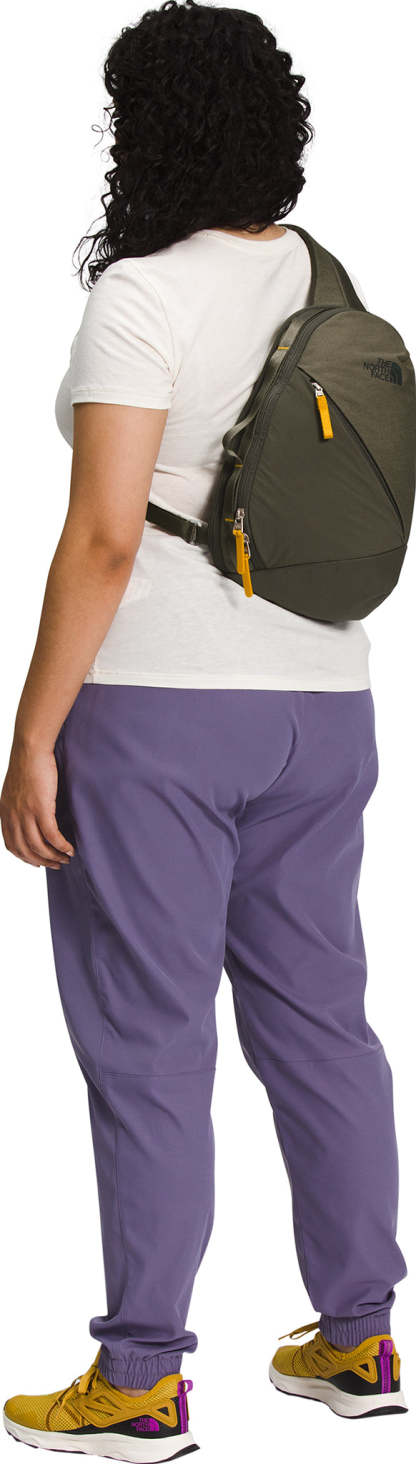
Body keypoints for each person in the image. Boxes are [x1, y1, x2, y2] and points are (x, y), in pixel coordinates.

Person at [1, 1, 408, 1454]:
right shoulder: (324, 279)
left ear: (145, 131)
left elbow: (106, 537)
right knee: (322, 1028)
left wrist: (33, 734)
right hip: (326, 710)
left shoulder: (141, 295)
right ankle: (359, 1339)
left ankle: (141, 1379)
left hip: (159, 719)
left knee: (149, 1047)